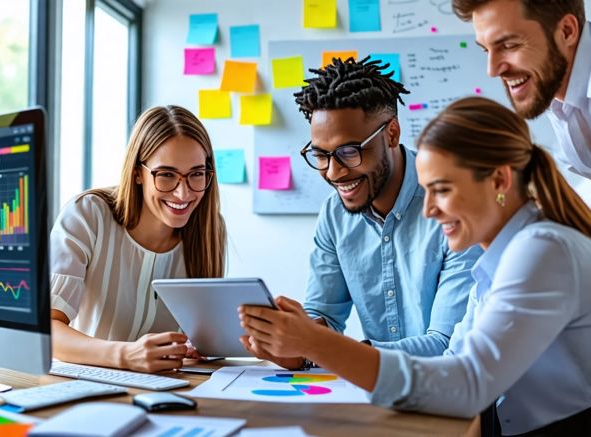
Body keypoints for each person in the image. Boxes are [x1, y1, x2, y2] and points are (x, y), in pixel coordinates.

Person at [240, 96, 591, 436]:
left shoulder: (541, 250)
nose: (428, 211)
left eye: (441, 190)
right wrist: (309, 345)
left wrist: (316, 345)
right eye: (427, 191)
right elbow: (452, 364)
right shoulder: (500, 259)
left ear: (499, 181)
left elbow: (466, 384)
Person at [240, 57, 482, 370]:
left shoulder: (451, 202)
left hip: (451, 397)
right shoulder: (334, 214)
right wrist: (297, 344)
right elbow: (324, 316)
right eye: (321, 155)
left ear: (392, 133)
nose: (333, 172)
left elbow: (447, 346)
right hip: (381, 393)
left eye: (349, 152)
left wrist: (325, 348)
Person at [51, 106, 226, 373]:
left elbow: (202, 338)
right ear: (137, 172)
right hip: (85, 383)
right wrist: (124, 354)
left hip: (168, 388)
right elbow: (46, 330)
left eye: (196, 174)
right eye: (166, 175)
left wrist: (203, 345)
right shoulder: (87, 214)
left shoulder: (210, 230)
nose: (183, 193)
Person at [452, 0, 591, 179]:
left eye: (509, 46)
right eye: (486, 50)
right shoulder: (556, 91)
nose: (492, 70)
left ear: (566, 31)